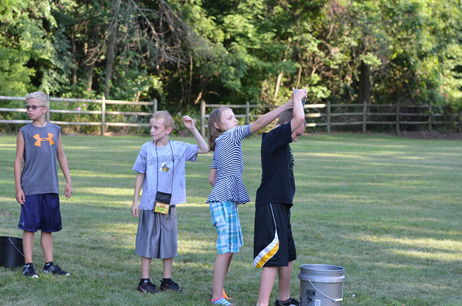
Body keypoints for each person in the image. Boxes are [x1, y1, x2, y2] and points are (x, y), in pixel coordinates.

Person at [206, 100, 296, 306]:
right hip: (224, 199)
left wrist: (225, 190)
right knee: (226, 248)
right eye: (229, 118)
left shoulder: (222, 142)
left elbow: (213, 178)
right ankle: (217, 296)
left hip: (224, 199)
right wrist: (283, 108)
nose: (235, 119)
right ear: (218, 126)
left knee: (230, 247)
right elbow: (258, 124)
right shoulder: (230, 136)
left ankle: (217, 288)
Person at [131, 110, 208, 294]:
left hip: (168, 204)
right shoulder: (146, 149)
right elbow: (140, 174)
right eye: (151, 126)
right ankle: (144, 281)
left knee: (168, 243)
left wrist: (193, 129)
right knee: (147, 242)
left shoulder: (179, 148)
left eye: (156, 127)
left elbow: (205, 149)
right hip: (150, 203)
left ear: (168, 130)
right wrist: (135, 200)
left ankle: (166, 281)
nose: (152, 130)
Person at [253, 89, 307, 306]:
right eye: (296, 134)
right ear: (287, 125)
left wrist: (296, 102)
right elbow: (299, 118)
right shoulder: (273, 138)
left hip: (282, 205)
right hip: (271, 204)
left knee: (287, 255)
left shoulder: (281, 142)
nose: (295, 138)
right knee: (273, 257)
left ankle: (283, 300)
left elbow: (298, 119)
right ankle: (262, 303)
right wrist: (296, 98)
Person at [14, 91, 73, 278]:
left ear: (44, 109)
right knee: (29, 227)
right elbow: (18, 161)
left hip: (51, 187)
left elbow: (61, 155)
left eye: (33, 107)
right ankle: (28, 265)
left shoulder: (55, 130)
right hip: (31, 187)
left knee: (48, 227)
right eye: (28, 107)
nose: (29, 110)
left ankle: (49, 264)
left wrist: (68, 180)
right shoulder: (24, 132)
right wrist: (18, 187)